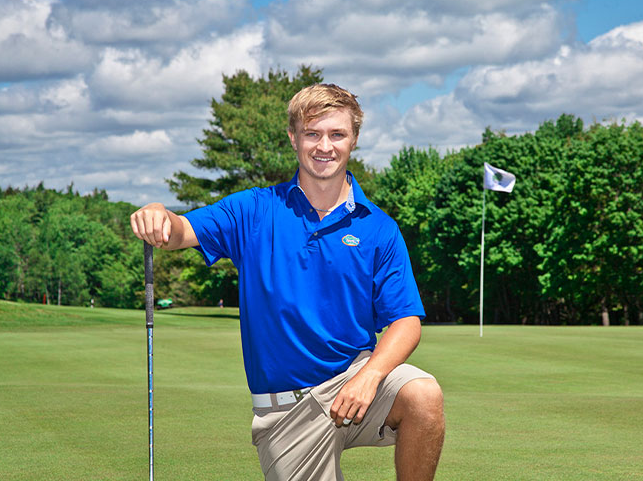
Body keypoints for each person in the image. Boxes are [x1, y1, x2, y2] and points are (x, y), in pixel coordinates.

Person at [130, 83, 445, 480]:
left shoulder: (379, 228)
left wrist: (370, 375)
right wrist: (159, 213)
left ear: (354, 140)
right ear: (293, 138)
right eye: (312, 133)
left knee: (422, 394)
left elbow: (406, 321)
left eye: (337, 134)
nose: (324, 146)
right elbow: (180, 231)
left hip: (355, 382)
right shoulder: (254, 209)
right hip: (285, 410)